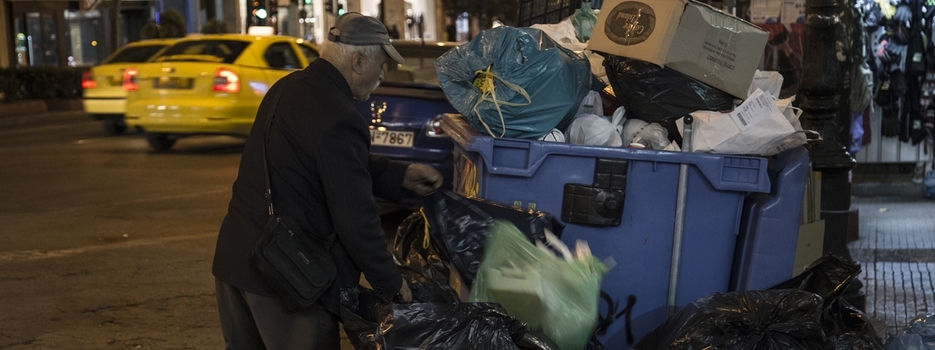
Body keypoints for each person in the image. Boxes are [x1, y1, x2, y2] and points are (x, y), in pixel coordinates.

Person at [211, 12, 443, 349]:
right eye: (380, 66)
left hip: (237, 263)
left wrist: (401, 176)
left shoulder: (288, 87)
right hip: (289, 280)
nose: (381, 76)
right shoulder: (338, 115)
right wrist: (391, 284)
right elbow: (356, 218)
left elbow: (330, 164)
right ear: (358, 59)